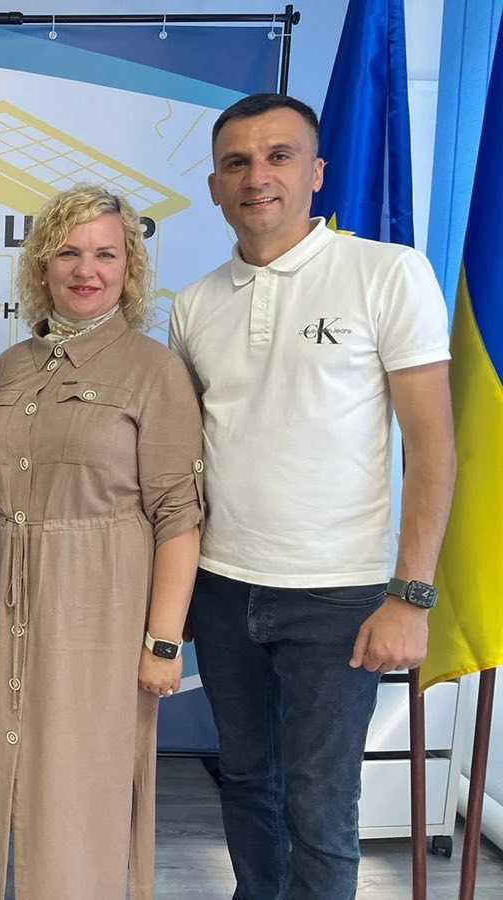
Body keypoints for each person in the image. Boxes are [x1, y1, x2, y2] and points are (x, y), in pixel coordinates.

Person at [170, 93, 456, 899]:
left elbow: (433, 448)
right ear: (215, 186)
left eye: (279, 156)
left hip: (339, 596)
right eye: (236, 163)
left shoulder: (387, 273)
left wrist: (411, 596)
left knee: (321, 806)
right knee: (246, 784)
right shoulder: (194, 306)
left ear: (317, 172)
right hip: (224, 590)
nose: (257, 176)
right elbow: (189, 464)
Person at [0, 185, 203, 899]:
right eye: (68, 253)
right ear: (42, 266)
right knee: (9, 780)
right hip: (10, 606)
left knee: (83, 791)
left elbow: (179, 516)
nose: (86, 270)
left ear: (129, 268)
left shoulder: (154, 370)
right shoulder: (9, 366)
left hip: (100, 613)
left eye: (106, 254)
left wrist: (163, 642)